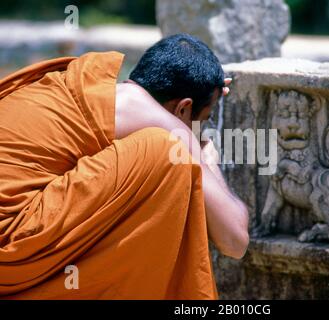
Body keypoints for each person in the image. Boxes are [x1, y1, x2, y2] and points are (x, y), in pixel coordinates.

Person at [0, 34, 249, 299]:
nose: (202, 129)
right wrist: (205, 152)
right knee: (165, 153)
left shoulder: (84, 87)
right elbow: (234, 240)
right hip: (11, 248)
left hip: (18, 241)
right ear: (183, 108)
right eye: (205, 119)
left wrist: (203, 94)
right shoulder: (163, 123)